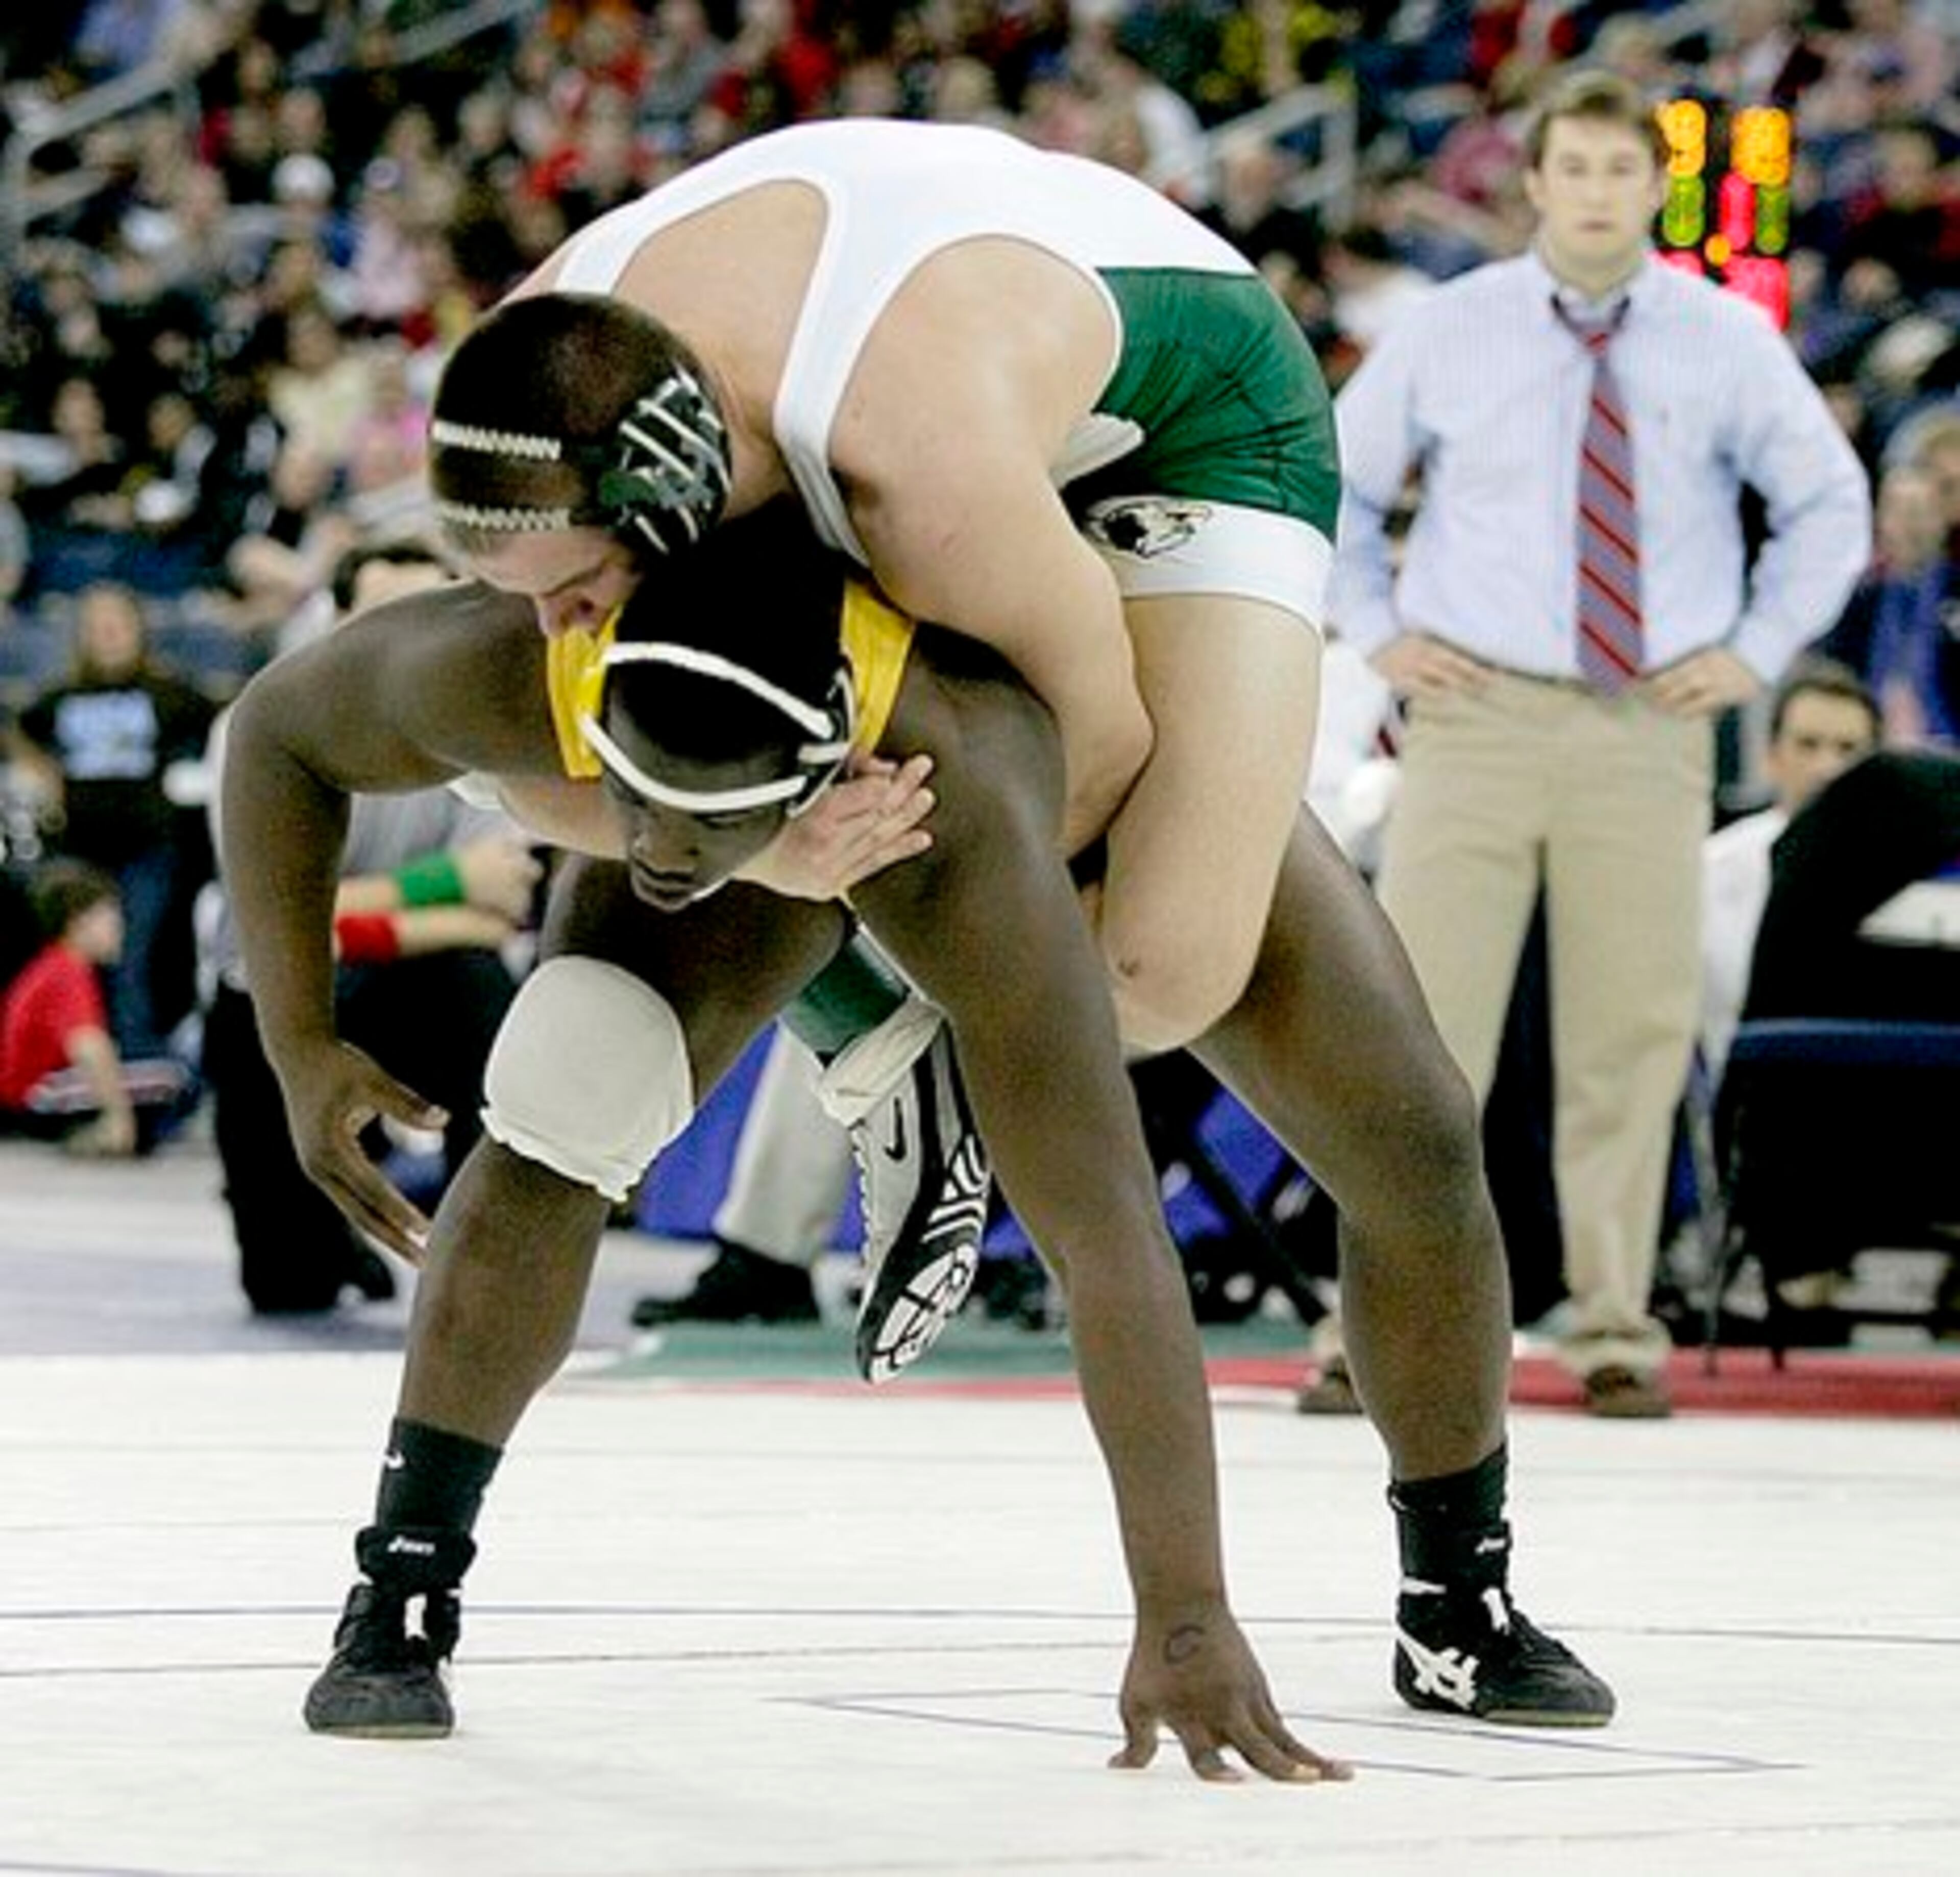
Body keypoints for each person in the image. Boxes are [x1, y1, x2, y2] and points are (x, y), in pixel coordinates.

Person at [220, 503, 1611, 1770]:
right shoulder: (533, 656)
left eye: (698, 825)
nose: (651, 847)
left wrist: (1183, 1612)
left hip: (1081, 744)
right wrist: (297, 1039)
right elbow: (278, 729)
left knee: (1416, 1139)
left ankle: (1455, 1599)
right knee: (571, 1089)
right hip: (779, 673)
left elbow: (1105, 1227)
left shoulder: (974, 800)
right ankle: (401, 1586)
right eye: (621, 794)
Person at [413, 114, 1343, 1295]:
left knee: (1156, 969)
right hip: (857, 353)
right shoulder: (526, 411)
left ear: (668, 513)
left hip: (1190, 411)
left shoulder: (919, 480)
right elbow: (501, 761)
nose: (557, 624)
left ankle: (899, 1025)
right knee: (550, 751)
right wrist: (783, 856)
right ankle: (874, 1046)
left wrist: (920, 908)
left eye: (580, 591)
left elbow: (1103, 744)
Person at [1329, 69, 1873, 1420]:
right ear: (1537, 182)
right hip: (1476, 708)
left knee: (1631, 1032)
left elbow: (1827, 499)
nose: (1593, 194)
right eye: (1571, 169)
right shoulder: (1454, 330)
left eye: (1619, 173)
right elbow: (1325, 478)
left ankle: (1617, 1320)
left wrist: (1753, 650)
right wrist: (1374, 625)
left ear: (1653, 188)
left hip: (1645, 719)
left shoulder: (1722, 338)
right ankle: (1377, 1325)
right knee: (1415, 1027)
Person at [200, 541, 541, 1314]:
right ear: (340, 628)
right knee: (288, 1285)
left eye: (432, 614)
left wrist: (347, 912)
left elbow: (498, 913)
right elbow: (284, 931)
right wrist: (447, 885)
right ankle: (330, 1237)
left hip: (418, 990)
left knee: (477, 989)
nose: (410, 640)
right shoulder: (256, 732)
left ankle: (488, 1254)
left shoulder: (487, 726)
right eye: (386, 616)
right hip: (277, 1004)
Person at [1701, 660, 1882, 1079]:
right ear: (1771, 757)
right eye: (1808, 744)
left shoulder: (1909, 878)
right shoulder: (1709, 871)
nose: (1827, 769)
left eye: (1848, 749)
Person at [0, 858, 192, 1154]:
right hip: (33, 1096)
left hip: (34, 1090)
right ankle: (107, 1130)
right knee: (172, 1076)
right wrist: (119, 1115)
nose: (121, 928)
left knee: (156, 1072)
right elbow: (87, 1043)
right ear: (80, 921)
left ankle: (103, 1130)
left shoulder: (58, 966)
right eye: (110, 917)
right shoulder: (67, 970)